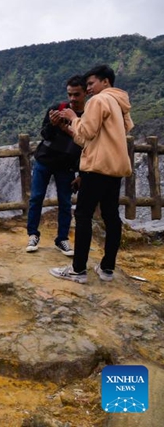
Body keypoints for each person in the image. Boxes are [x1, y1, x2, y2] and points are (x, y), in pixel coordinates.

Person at [49, 64, 134, 283]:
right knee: (111, 216)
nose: (88, 89)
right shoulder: (119, 103)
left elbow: (86, 131)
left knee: (83, 215)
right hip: (115, 168)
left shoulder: (98, 100)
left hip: (97, 167)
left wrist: (73, 117)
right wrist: (68, 128)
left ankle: (78, 270)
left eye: (90, 83)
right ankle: (107, 269)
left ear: (105, 81)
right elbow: (96, 137)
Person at [26, 75, 87, 256]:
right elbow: (45, 134)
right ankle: (32, 235)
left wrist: (81, 172)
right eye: (70, 94)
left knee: (65, 203)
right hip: (44, 160)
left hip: (67, 166)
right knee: (36, 198)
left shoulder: (89, 116)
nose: (72, 99)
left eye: (76, 95)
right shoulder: (56, 109)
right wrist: (53, 125)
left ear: (85, 93)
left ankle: (62, 239)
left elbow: (88, 144)